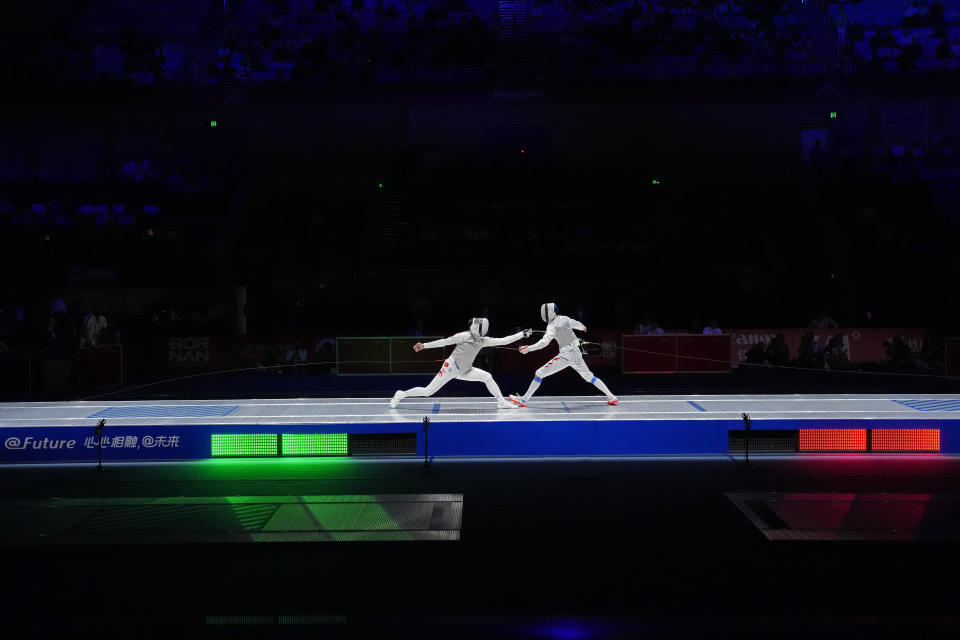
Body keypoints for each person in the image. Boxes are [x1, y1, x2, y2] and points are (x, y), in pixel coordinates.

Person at [389, 318, 531, 409]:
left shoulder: (483, 340)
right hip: (451, 367)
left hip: (466, 370)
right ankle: (401, 394)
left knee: (487, 377)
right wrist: (424, 346)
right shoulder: (463, 336)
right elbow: (444, 342)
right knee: (428, 391)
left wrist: (522, 334)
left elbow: (503, 340)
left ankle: (501, 402)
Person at [509, 303, 618, 407]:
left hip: (566, 355)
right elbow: (578, 324)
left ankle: (524, 400)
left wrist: (529, 349)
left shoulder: (551, 326)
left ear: (551, 312)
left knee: (539, 373)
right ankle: (611, 397)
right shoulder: (564, 318)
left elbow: (544, 343)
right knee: (589, 377)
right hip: (576, 353)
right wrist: (583, 327)